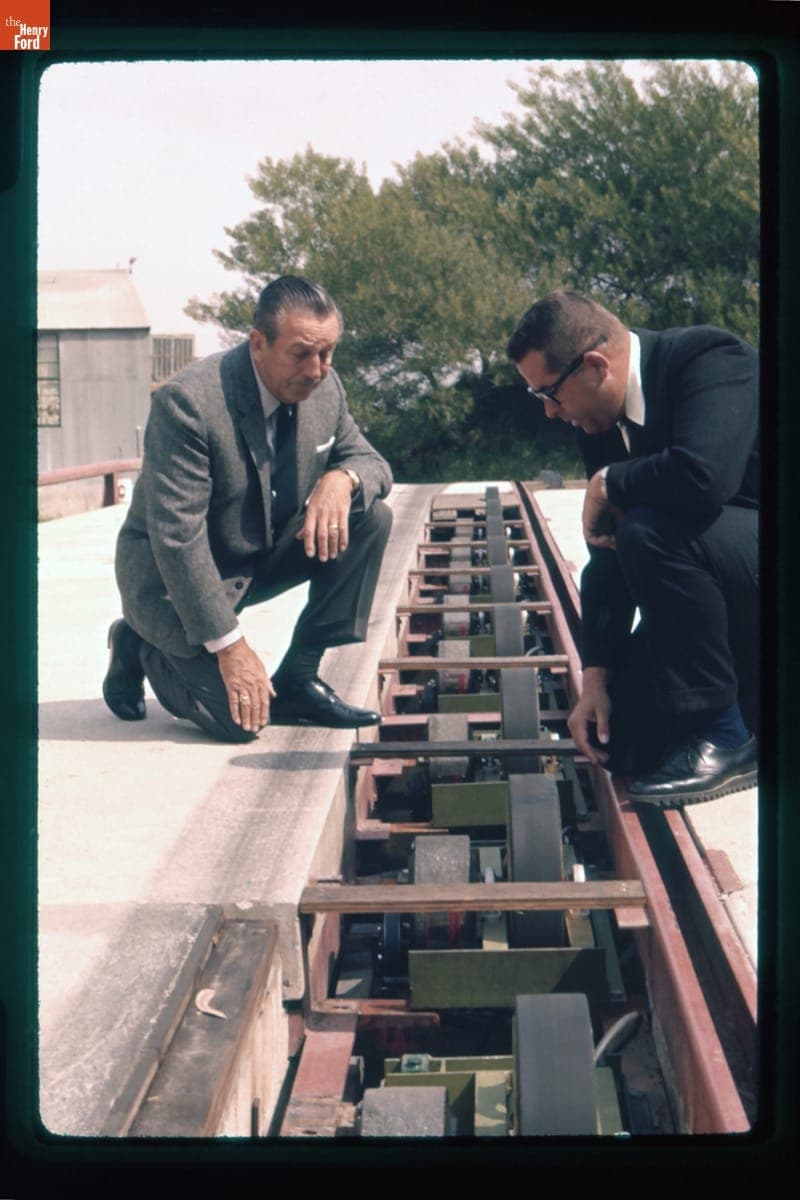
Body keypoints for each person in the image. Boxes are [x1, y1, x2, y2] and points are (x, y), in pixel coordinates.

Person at [102, 275, 393, 742]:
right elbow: (178, 540)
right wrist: (231, 647)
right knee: (237, 724)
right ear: (259, 344)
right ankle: (138, 643)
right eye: (301, 353)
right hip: (173, 583)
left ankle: (299, 677)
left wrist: (343, 478)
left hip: (255, 557)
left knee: (370, 516)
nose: (317, 369)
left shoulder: (325, 388)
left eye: (328, 353)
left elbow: (372, 462)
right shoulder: (188, 404)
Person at [506, 290, 759, 808]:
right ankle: (742, 704)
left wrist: (608, 484)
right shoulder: (600, 421)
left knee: (648, 528)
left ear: (595, 365)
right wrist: (595, 677)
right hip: (718, 593)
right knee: (622, 742)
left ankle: (727, 735)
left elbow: (702, 477)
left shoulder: (708, 359)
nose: (551, 413)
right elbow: (606, 553)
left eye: (550, 393)